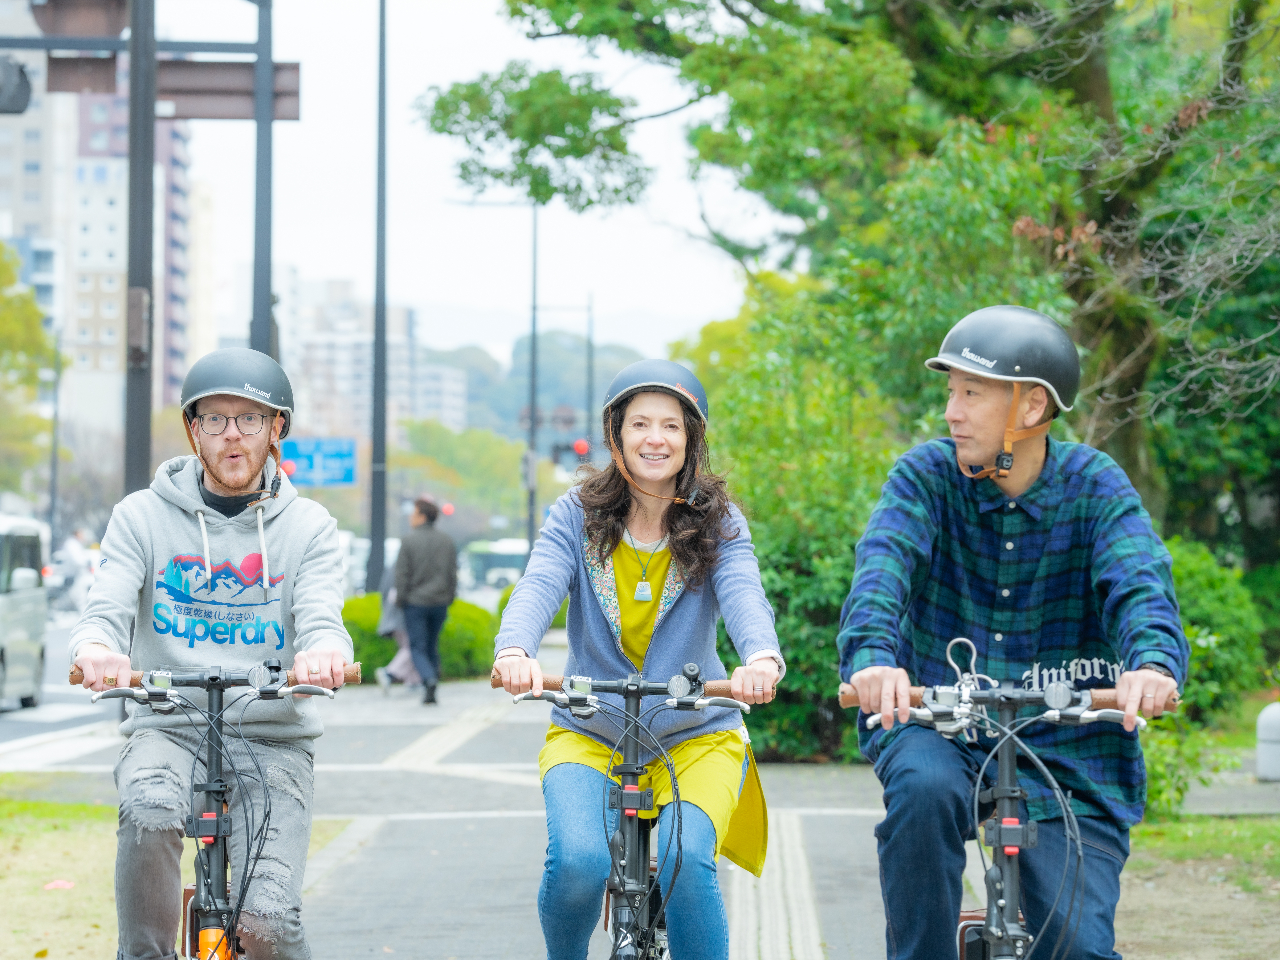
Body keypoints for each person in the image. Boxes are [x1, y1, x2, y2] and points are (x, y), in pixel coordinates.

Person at [837, 306, 1189, 960]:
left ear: (1030, 408)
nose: (951, 411)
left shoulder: (1095, 488)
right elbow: (883, 568)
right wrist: (874, 659)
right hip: (939, 725)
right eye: (951, 392)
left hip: (1067, 746)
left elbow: (1137, 578)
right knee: (922, 789)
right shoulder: (926, 477)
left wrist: (1152, 663)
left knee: (1078, 949)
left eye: (971, 392)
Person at [493, 359, 784, 960]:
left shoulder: (718, 521)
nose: (656, 438)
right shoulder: (576, 513)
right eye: (641, 424)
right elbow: (539, 582)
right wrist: (516, 650)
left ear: (691, 439)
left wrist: (760, 658)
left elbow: (743, 593)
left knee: (683, 861)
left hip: (695, 732)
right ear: (616, 436)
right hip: (590, 727)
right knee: (577, 862)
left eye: (672, 426)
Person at [70, 347, 352, 960]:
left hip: (273, 736)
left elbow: (322, 617)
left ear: (277, 430)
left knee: (267, 923)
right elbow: (106, 608)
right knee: (147, 810)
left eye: (249, 419)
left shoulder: (309, 527)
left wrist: (324, 655)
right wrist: (97, 650)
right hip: (168, 725)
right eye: (214, 419)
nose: (232, 435)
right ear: (192, 430)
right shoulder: (141, 517)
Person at [395, 496, 457, 704]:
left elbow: (402, 575)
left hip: (415, 603)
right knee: (432, 645)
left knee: (417, 647)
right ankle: (432, 683)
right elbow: (452, 574)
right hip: (440, 602)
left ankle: (429, 679)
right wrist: (449, 598)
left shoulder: (408, 541)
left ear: (422, 516)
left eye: (413, 514)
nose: (410, 518)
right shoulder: (446, 540)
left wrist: (401, 600)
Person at [375, 542, 422, 692]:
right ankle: (389, 673)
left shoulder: (393, 566)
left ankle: (414, 681)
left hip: (392, 615)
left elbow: (383, 591)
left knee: (407, 646)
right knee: (412, 647)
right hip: (402, 615)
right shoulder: (406, 566)